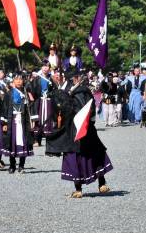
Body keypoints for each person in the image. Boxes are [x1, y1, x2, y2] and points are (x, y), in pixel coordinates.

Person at [46, 68, 114, 198]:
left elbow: (91, 106)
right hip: (71, 130)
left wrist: (88, 120)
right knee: (74, 157)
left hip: (86, 127)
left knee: (95, 153)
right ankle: (78, 188)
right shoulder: (63, 91)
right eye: (73, 78)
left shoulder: (84, 90)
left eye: (76, 77)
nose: (75, 80)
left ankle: (102, 183)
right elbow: (58, 109)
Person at [5, 73, 33, 173]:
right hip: (12, 119)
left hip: (23, 120)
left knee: (23, 141)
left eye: (20, 79)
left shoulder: (26, 93)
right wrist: (4, 123)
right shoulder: (9, 93)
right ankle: (12, 165)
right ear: (13, 81)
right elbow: (5, 108)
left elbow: (30, 107)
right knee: (12, 141)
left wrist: (32, 120)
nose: (18, 81)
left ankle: (21, 165)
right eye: (16, 79)